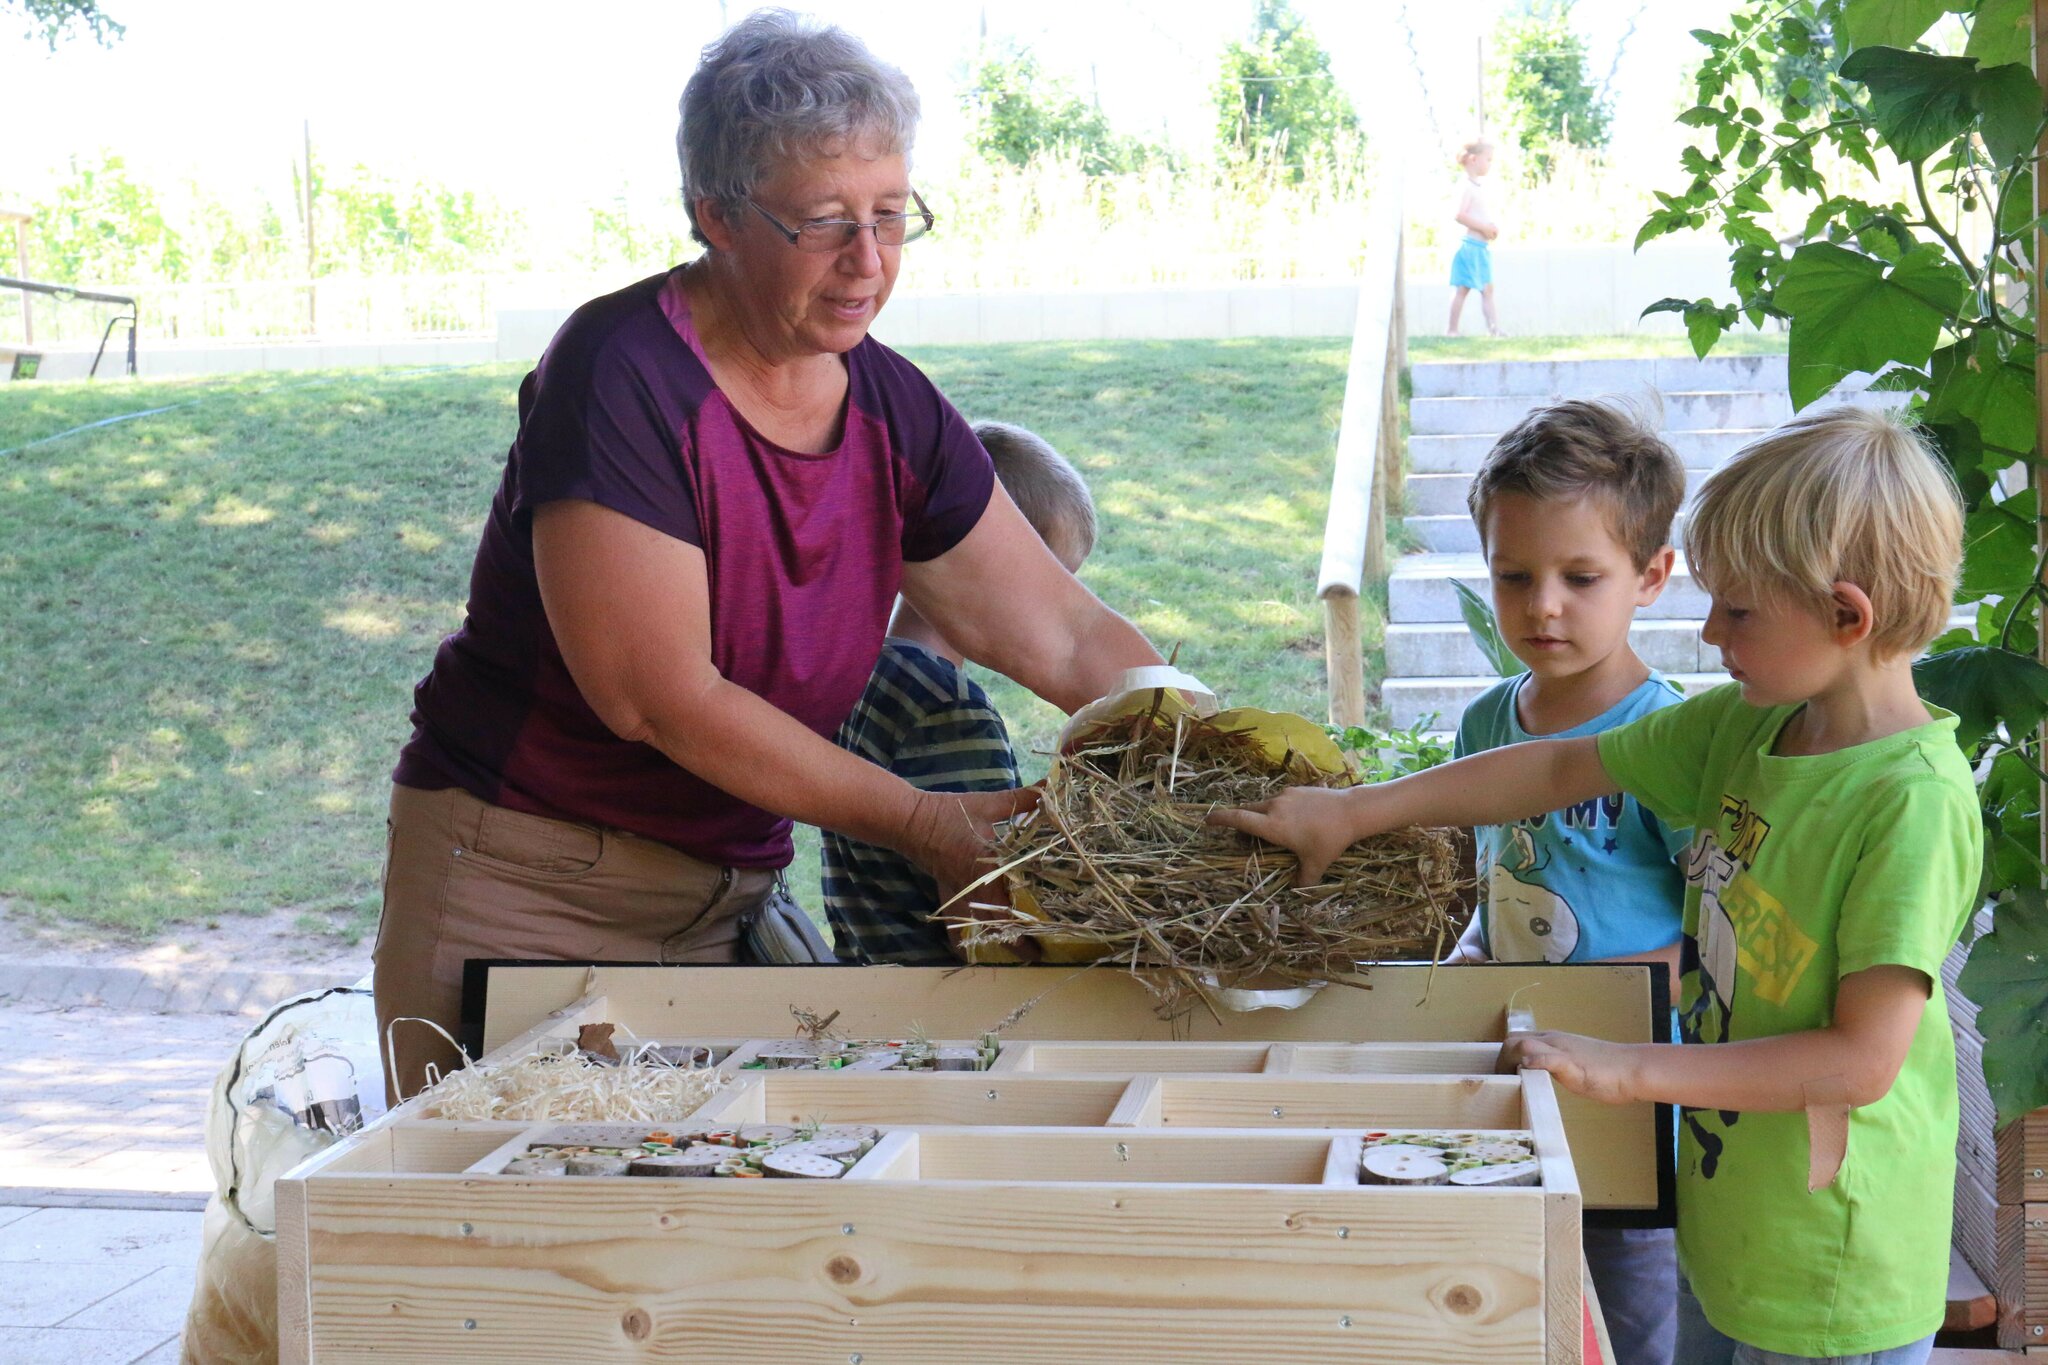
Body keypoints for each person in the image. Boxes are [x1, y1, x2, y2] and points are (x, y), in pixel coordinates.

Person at [373, 11, 1164, 1099]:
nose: (869, 261)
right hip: (526, 889)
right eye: (826, 223)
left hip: (724, 901)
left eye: (892, 216)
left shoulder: (892, 408)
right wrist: (930, 826)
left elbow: (1064, 631)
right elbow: (658, 698)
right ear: (718, 218)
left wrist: (1223, 752)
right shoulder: (621, 372)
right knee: (507, 1249)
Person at [1213, 406, 1976, 1364]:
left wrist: (1631, 1064)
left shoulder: (1911, 802)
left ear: (1846, 614)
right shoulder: (1743, 729)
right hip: (1733, 1221)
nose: (1706, 630)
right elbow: (1557, 769)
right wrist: (1354, 812)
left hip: (1836, 1265)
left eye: (1736, 610)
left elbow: (1862, 1060)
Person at [1444, 397, 1690, 1365]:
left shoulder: (1668, 738)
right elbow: (1496, 881)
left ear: (1651, 577)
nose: (1542, 605)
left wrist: (1608, 1004)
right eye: (1513, 576)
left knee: (1628, 1324)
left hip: (1630, 1104)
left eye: (1579, 577)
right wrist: (1468, 959)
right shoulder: (1481, 725)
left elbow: (1713, 930)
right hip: (1512, 1078)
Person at [823, 419, 1097, 964]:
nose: (1061, 608)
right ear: (988, 560)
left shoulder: (860, 675)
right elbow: (986, 913)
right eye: (1055, 584)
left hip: (869, 974)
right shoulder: (945, 708)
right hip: (946, 1002)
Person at [1448, 138, 1502, 337]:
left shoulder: (1477, 187)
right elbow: (1459, 214)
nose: (1490, 164)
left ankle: (1494, 329)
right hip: (1469, 246)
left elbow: (1479, 215)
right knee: (1462, 289)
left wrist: (1490, 228)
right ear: (1473, 159)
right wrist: (1483, 228)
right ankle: (1452, 330)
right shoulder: (1466, 186)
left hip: (1481, 247)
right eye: (1488, 159)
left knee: (1487, 289)